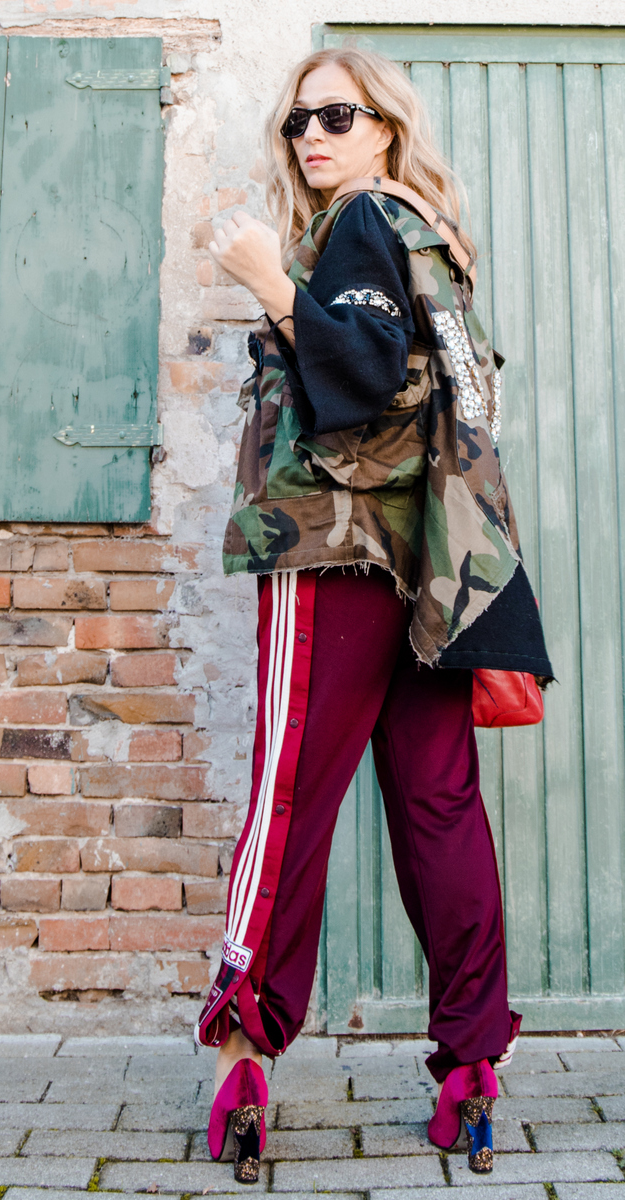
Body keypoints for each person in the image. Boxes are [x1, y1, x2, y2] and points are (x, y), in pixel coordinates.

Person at [196, 46, 552, 1184]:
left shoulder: (357, 224)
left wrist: (268, 280)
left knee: (289, 797)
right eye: (296, 121)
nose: (311, 136)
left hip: (337, 555)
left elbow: (360, 381)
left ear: (387, 126)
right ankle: (470, 1069)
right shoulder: (429, 235)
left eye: (337, 116)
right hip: (431, 567)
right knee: (440, 806)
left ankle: (243, 1050)